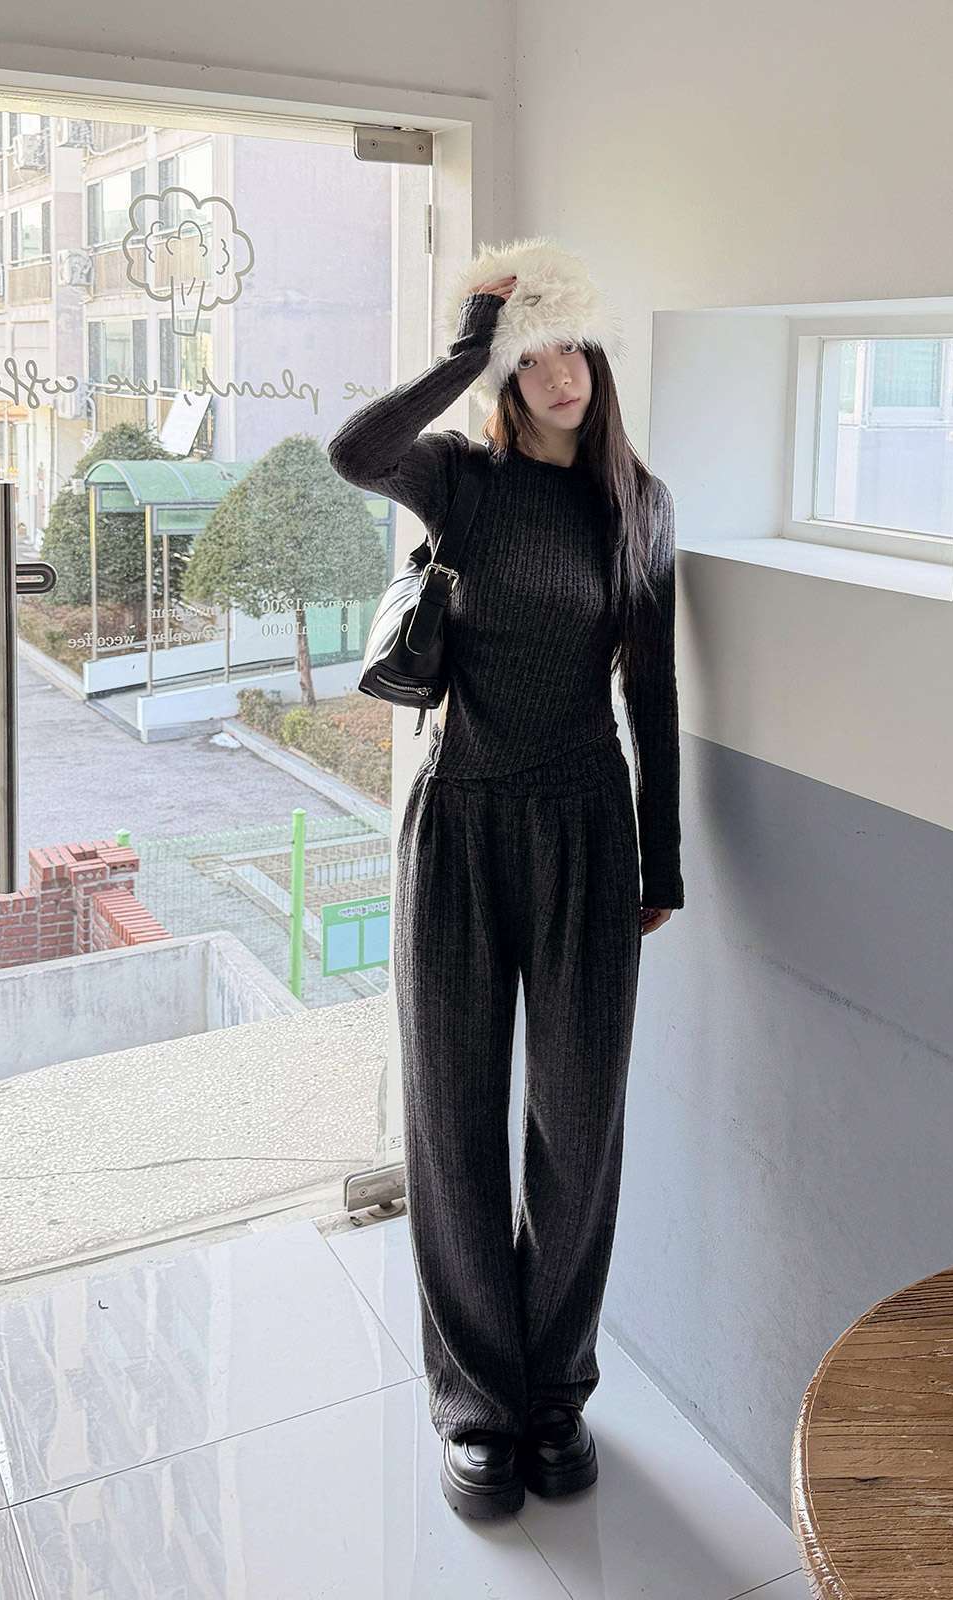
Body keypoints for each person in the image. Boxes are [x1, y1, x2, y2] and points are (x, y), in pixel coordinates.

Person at [327, 236, 683, 1520]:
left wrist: (662, 856)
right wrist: (466, 346)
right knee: (455, 1120)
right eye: (533, 355)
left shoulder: (639, 506)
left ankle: (555, 1393)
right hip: (461, 829)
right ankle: (479, 1404)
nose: (559, 372)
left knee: (579, 1125)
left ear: (599, 360)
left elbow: (654, 693)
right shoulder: (462, 483)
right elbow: (354, 451)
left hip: (588, 829)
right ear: (506, 372)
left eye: (572, 346)